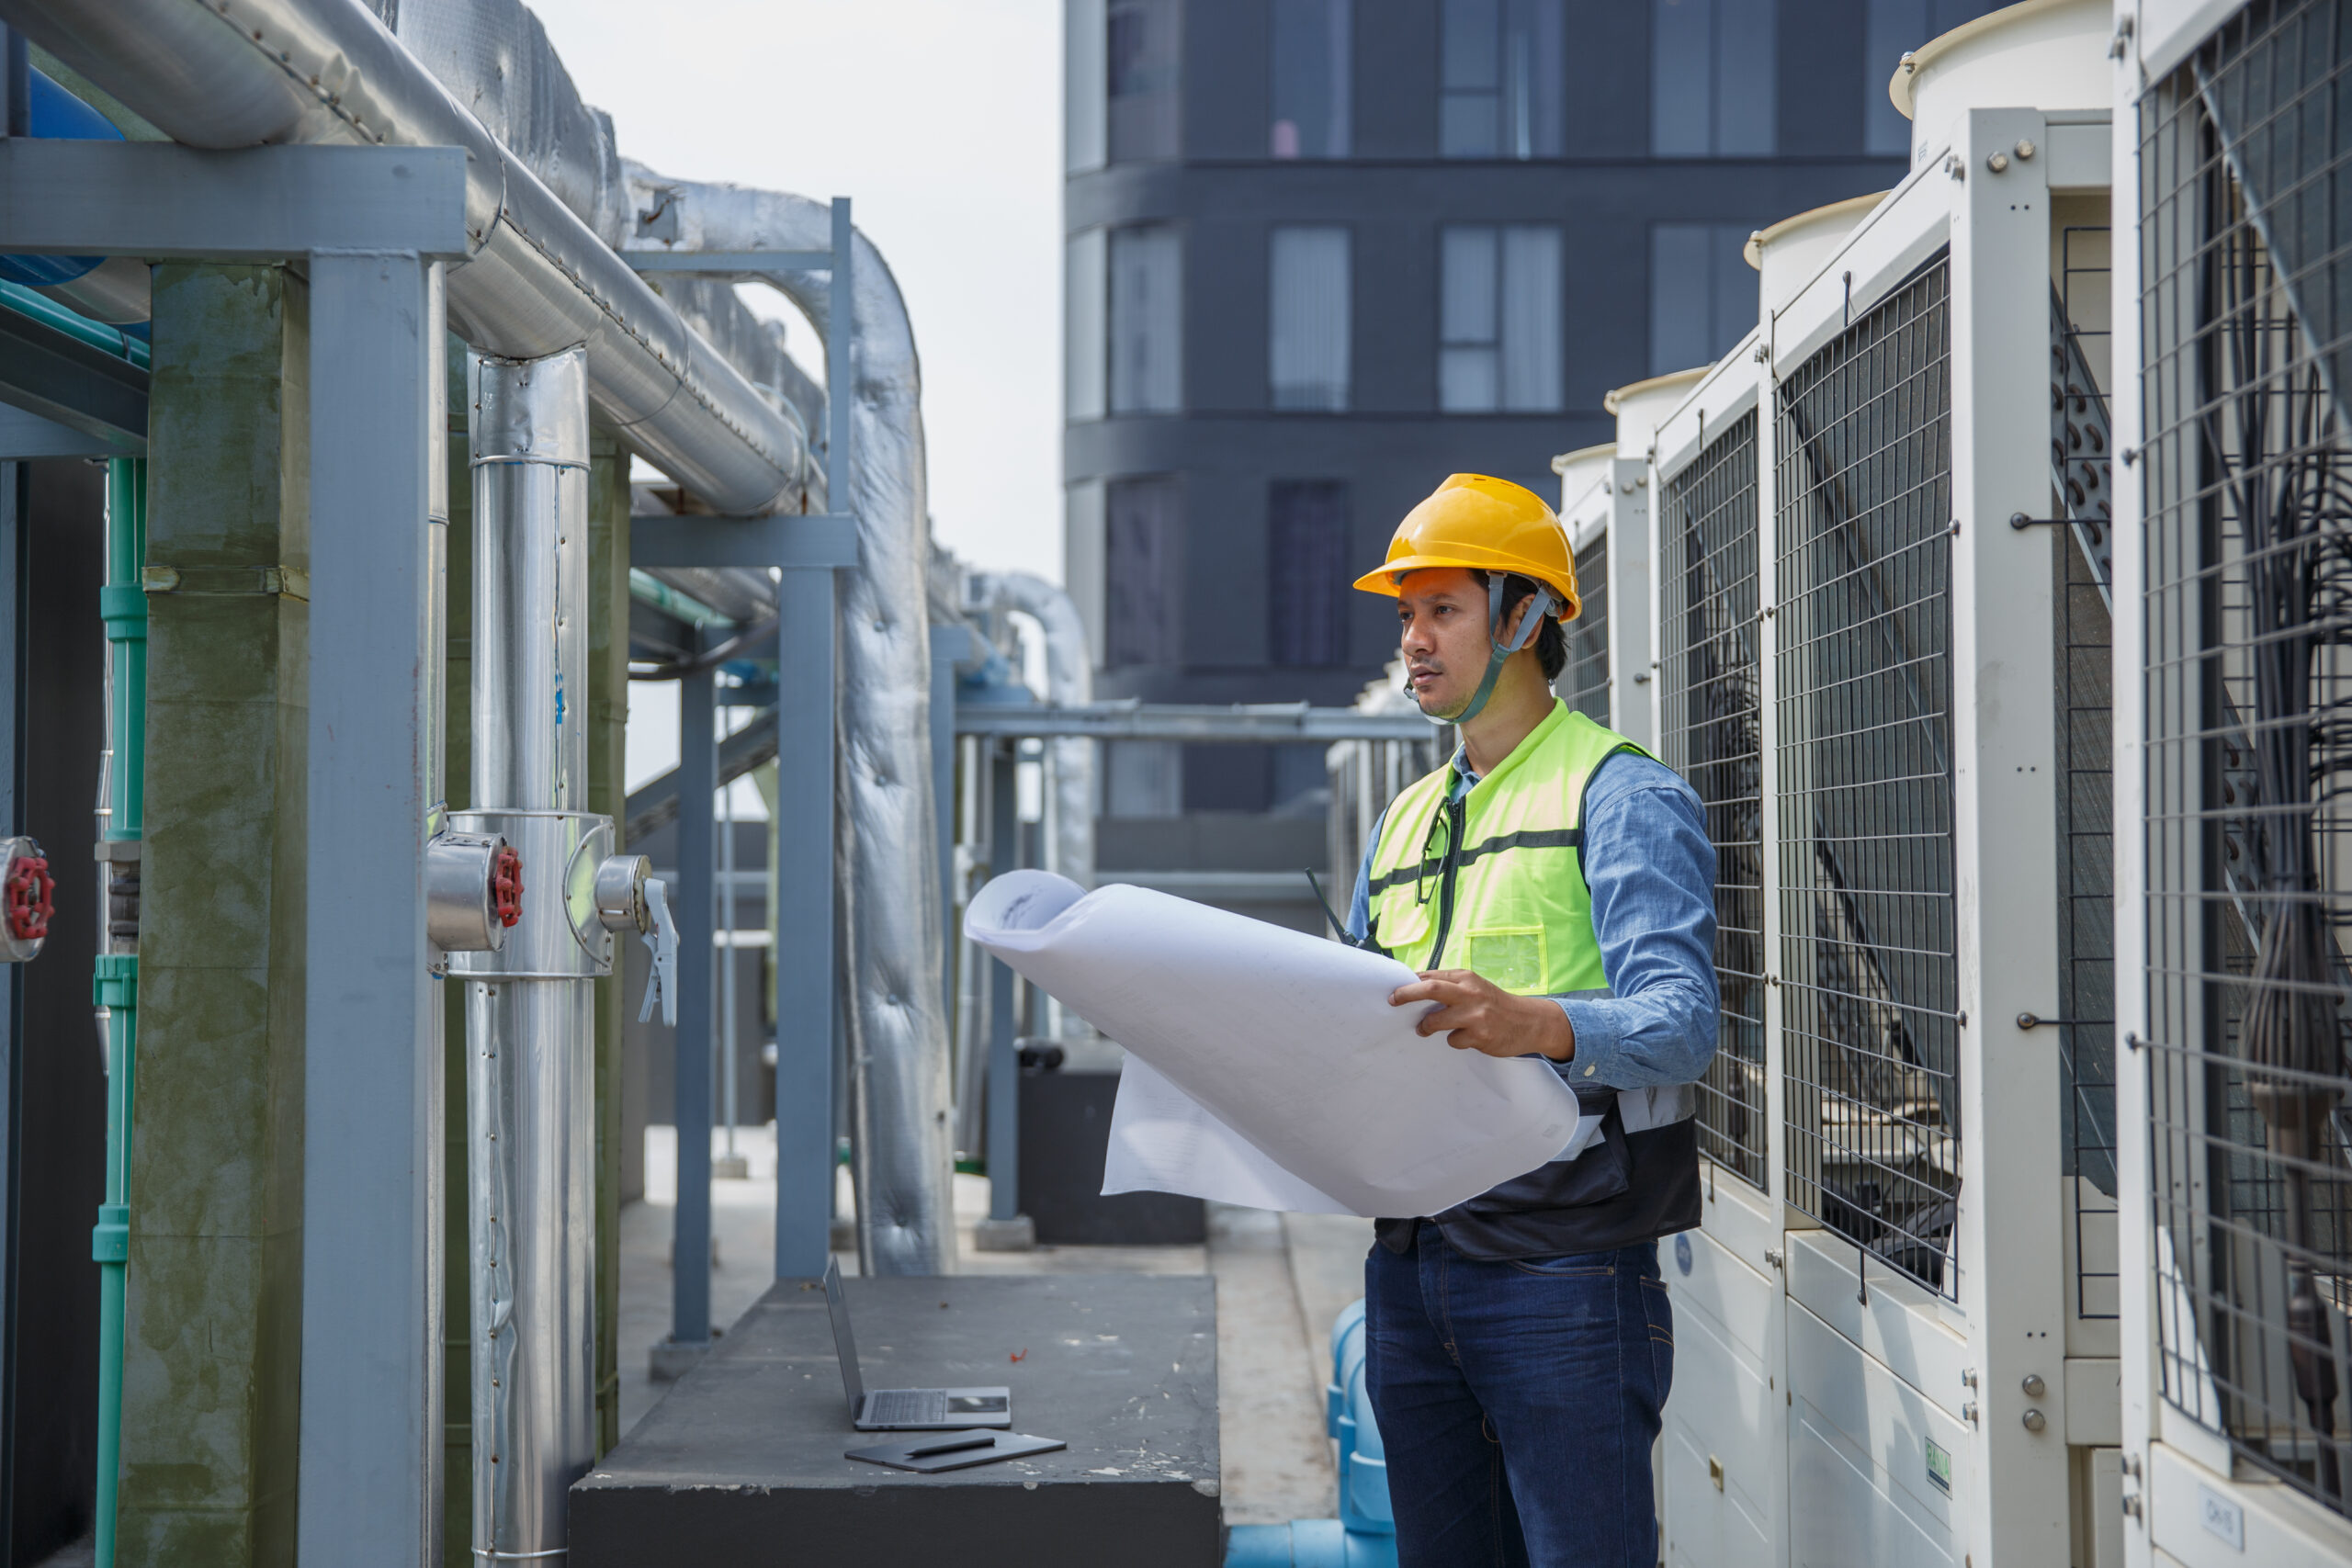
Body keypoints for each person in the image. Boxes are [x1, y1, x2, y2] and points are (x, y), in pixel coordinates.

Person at [1341, 473, 1719, 1568]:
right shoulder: (1404, 818)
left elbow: (1681, 1023)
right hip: (1411, 1267)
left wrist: (1535, 1023)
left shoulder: (1621, 796)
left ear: (1523, 617)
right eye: (1406, 614)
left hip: (1565, 1270)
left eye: (1442, 609)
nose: (1413, 639)